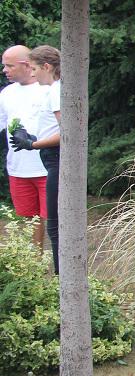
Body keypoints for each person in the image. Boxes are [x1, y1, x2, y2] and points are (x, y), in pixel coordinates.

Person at [11, 46, 62, 273]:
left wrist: (32, 145)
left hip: (56, 160)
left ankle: (63, 281)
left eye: (34, 69)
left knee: (54, 225)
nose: (32, 74)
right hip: (49, 158)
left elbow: (66, 133)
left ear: (47, 67)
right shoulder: (53, 90)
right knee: (53, 225)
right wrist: (31, 138)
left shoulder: (56, 91)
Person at [0, 45, 49, 249]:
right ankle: (35, 267)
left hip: (47, 167)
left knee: (55, 218)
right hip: (18, 168)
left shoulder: (48, 89)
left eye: (9, 66)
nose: (4, 70)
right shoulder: (7, 93)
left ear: (26, 65)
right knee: (30, 219)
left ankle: (63, 266)